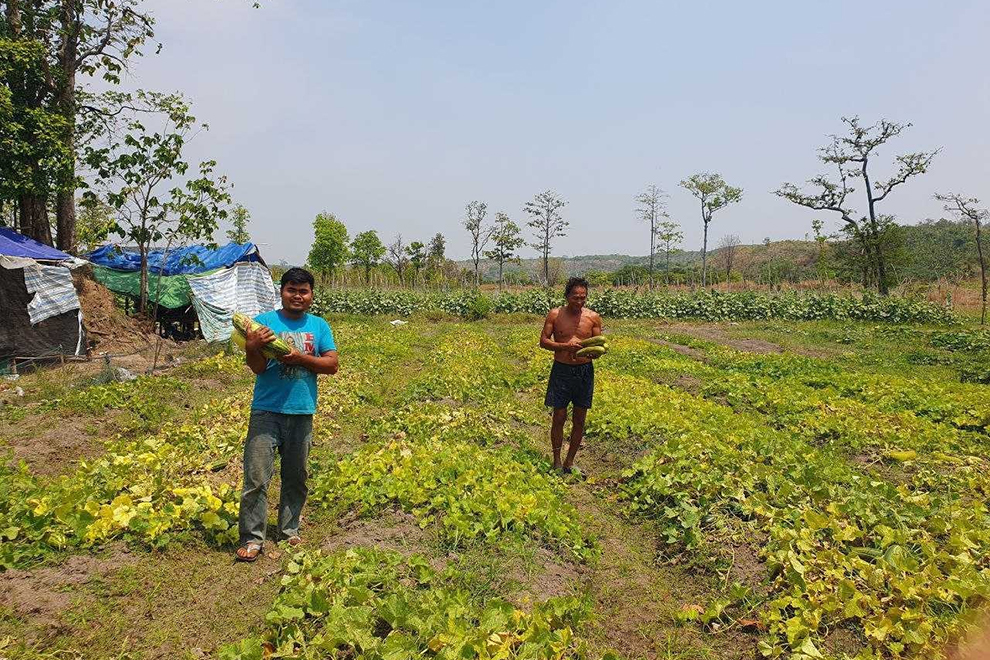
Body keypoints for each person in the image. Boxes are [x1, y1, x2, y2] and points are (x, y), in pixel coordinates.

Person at [235, 267, 339, 562]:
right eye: (291, 290)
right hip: (266, 411)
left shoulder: (319, 326)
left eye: (303, 291)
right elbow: (256, 367)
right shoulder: (263, 324)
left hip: (302, 410)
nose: (297, 296)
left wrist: (301, 358)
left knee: (296, 475)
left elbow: (331, 365)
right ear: (281, 292)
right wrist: (253, 346)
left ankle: (289, 529)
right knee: (256, 477)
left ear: (311, 295)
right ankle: (253, 538)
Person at [539, 276, 603, 474]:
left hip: (584, 371)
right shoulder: (555, 315)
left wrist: (595, 353)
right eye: (575, 297)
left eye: (583, 298)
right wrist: (564, 346)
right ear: (567, 296)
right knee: (559, 416)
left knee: (580, 418)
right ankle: (557, 460)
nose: (579, 301)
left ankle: (570, 461)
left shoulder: (593, 317)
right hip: (561, 369)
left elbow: (598, 345)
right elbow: (543, 341)